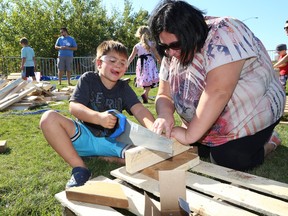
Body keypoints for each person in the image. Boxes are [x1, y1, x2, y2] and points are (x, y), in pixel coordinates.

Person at [149, 0, 286, 171]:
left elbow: (218, 91)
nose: (170, 53)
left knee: (228, 158)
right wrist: (164, 114)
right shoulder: (171, 53)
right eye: (164, 47)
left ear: (191, 33)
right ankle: (205, 139)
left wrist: (189, 135)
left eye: (175, 45)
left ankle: (271, 141)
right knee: (198, 150)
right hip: (208, 123)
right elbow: (164, 94)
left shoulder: (225, 31)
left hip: (252, 114)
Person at [40, 40, 155, 188]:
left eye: (123, 62)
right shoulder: (88, 79)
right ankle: (80, 168)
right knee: (48, 118)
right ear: (99, 63)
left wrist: (153, 129)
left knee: (147, 157)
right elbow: (74, 107)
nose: (118, 65)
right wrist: (98, 118)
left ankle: (106, 157)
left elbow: (139, 109)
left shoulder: (124, 87)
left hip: (114, 141)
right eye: (113, 60)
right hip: (84, 137)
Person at [128, 26, 161, 103]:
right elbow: (156, 54)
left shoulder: (137, 46)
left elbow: (131, 57)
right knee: (149, 79)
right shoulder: (151, 44)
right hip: (149, 63)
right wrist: (160, 60)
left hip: (141, 63)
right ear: (149, 34)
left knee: (145, 79)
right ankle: (145, 94)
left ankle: (145, 95)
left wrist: (127, 64)